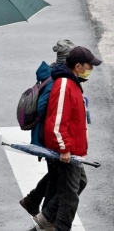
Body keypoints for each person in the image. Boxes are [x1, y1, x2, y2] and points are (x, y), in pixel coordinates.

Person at [33, 46, 102, 231]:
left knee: (80, 182)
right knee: (69, 197)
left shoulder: (72, 81)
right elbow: (56, 122)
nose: (91, 69)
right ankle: (60, 226)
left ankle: (46, 216)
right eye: (89, 65)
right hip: (68, 149)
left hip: (74, 149)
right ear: (78, 66)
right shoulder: (64, 85)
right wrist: (64, 148)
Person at [20, 39, 76, 216]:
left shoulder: (54, 73)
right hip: (50, 135)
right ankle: (45, 216)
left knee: (55, 174)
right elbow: (42, 106)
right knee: (57, 176)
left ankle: (33, 200)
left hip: (49, 133)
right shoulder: (55, 80)